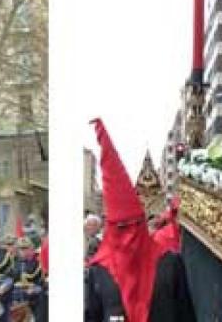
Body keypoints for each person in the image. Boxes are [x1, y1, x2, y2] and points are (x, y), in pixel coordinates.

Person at [84, 119, 196, 322]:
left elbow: (186, 315)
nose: (128, 237)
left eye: (133, 225)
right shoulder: (98, 271)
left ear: (142, 224)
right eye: (121, 228)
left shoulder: (170, 263)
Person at [11, 238, 45, 315]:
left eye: (25, 248)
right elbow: (12, 279)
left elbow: (42, 283)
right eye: (21, 249)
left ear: (31, 248)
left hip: (34, 300)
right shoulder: (15, 262)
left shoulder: (38, 262)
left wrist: (35, 289)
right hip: (17, 299)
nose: (23, 251)